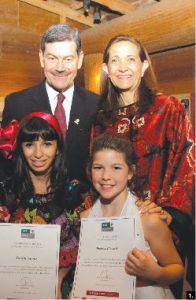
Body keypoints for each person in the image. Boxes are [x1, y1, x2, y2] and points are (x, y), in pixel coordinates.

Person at [92, 35, 195, 258]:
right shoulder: (101, 119)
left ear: (144, 66)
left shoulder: (168, 108)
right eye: (115, 61)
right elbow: (95, 170)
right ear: (106, 69)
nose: (123, 68)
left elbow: (187, 160)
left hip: (159, 227)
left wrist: (171, 213)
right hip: (113, 227)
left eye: (130, 59)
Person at [80, 133, 184, 299]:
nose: (106, 176)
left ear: (130, 172)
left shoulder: (148, 218)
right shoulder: (85, 219)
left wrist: (155, 272)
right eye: (98, 167)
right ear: (89, 171)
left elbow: (177, 269)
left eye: (116, 168)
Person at [0, 112, 88, 299]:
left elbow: (88, 248)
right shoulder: (7, 193)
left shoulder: (74, 192)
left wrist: (56, 280)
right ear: (20, 149)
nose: (38, 153)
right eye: (30, 144)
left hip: (64, 290)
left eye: (47, 144)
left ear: (57, 148)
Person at [2, 24, 99, 184]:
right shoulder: (16, 104)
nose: (60, 68)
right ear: (41, 58)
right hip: (29, 204)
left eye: (68, 59)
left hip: (83, 203)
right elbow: (6, 166)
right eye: (52, 58)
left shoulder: (96, 104)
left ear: (80, 59)